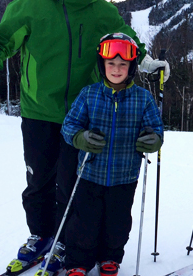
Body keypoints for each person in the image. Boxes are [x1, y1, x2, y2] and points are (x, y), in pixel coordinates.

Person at [0, 0, 170, 275]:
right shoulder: (30, 6)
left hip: (80, 114)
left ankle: (64, 241)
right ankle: (40, 235)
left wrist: (146, 62)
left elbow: (126, 40)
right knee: (38, 181)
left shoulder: (103, 12)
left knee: (71, 184)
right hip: (38, 111)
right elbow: (2, 39)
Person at [60, 32, 164, 276]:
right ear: (102, 65)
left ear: (131, 67)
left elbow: (156, 129)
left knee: (117, 225)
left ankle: (110, 258)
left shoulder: (143, 98)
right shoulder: (89, 94)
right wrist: (80, 138)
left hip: (125, 176)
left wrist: (153, 140)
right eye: (111, 64)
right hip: (90, 173)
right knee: (84, 222)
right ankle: (78, 261)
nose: (116, 69)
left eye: (122, 64)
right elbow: (69, 126)